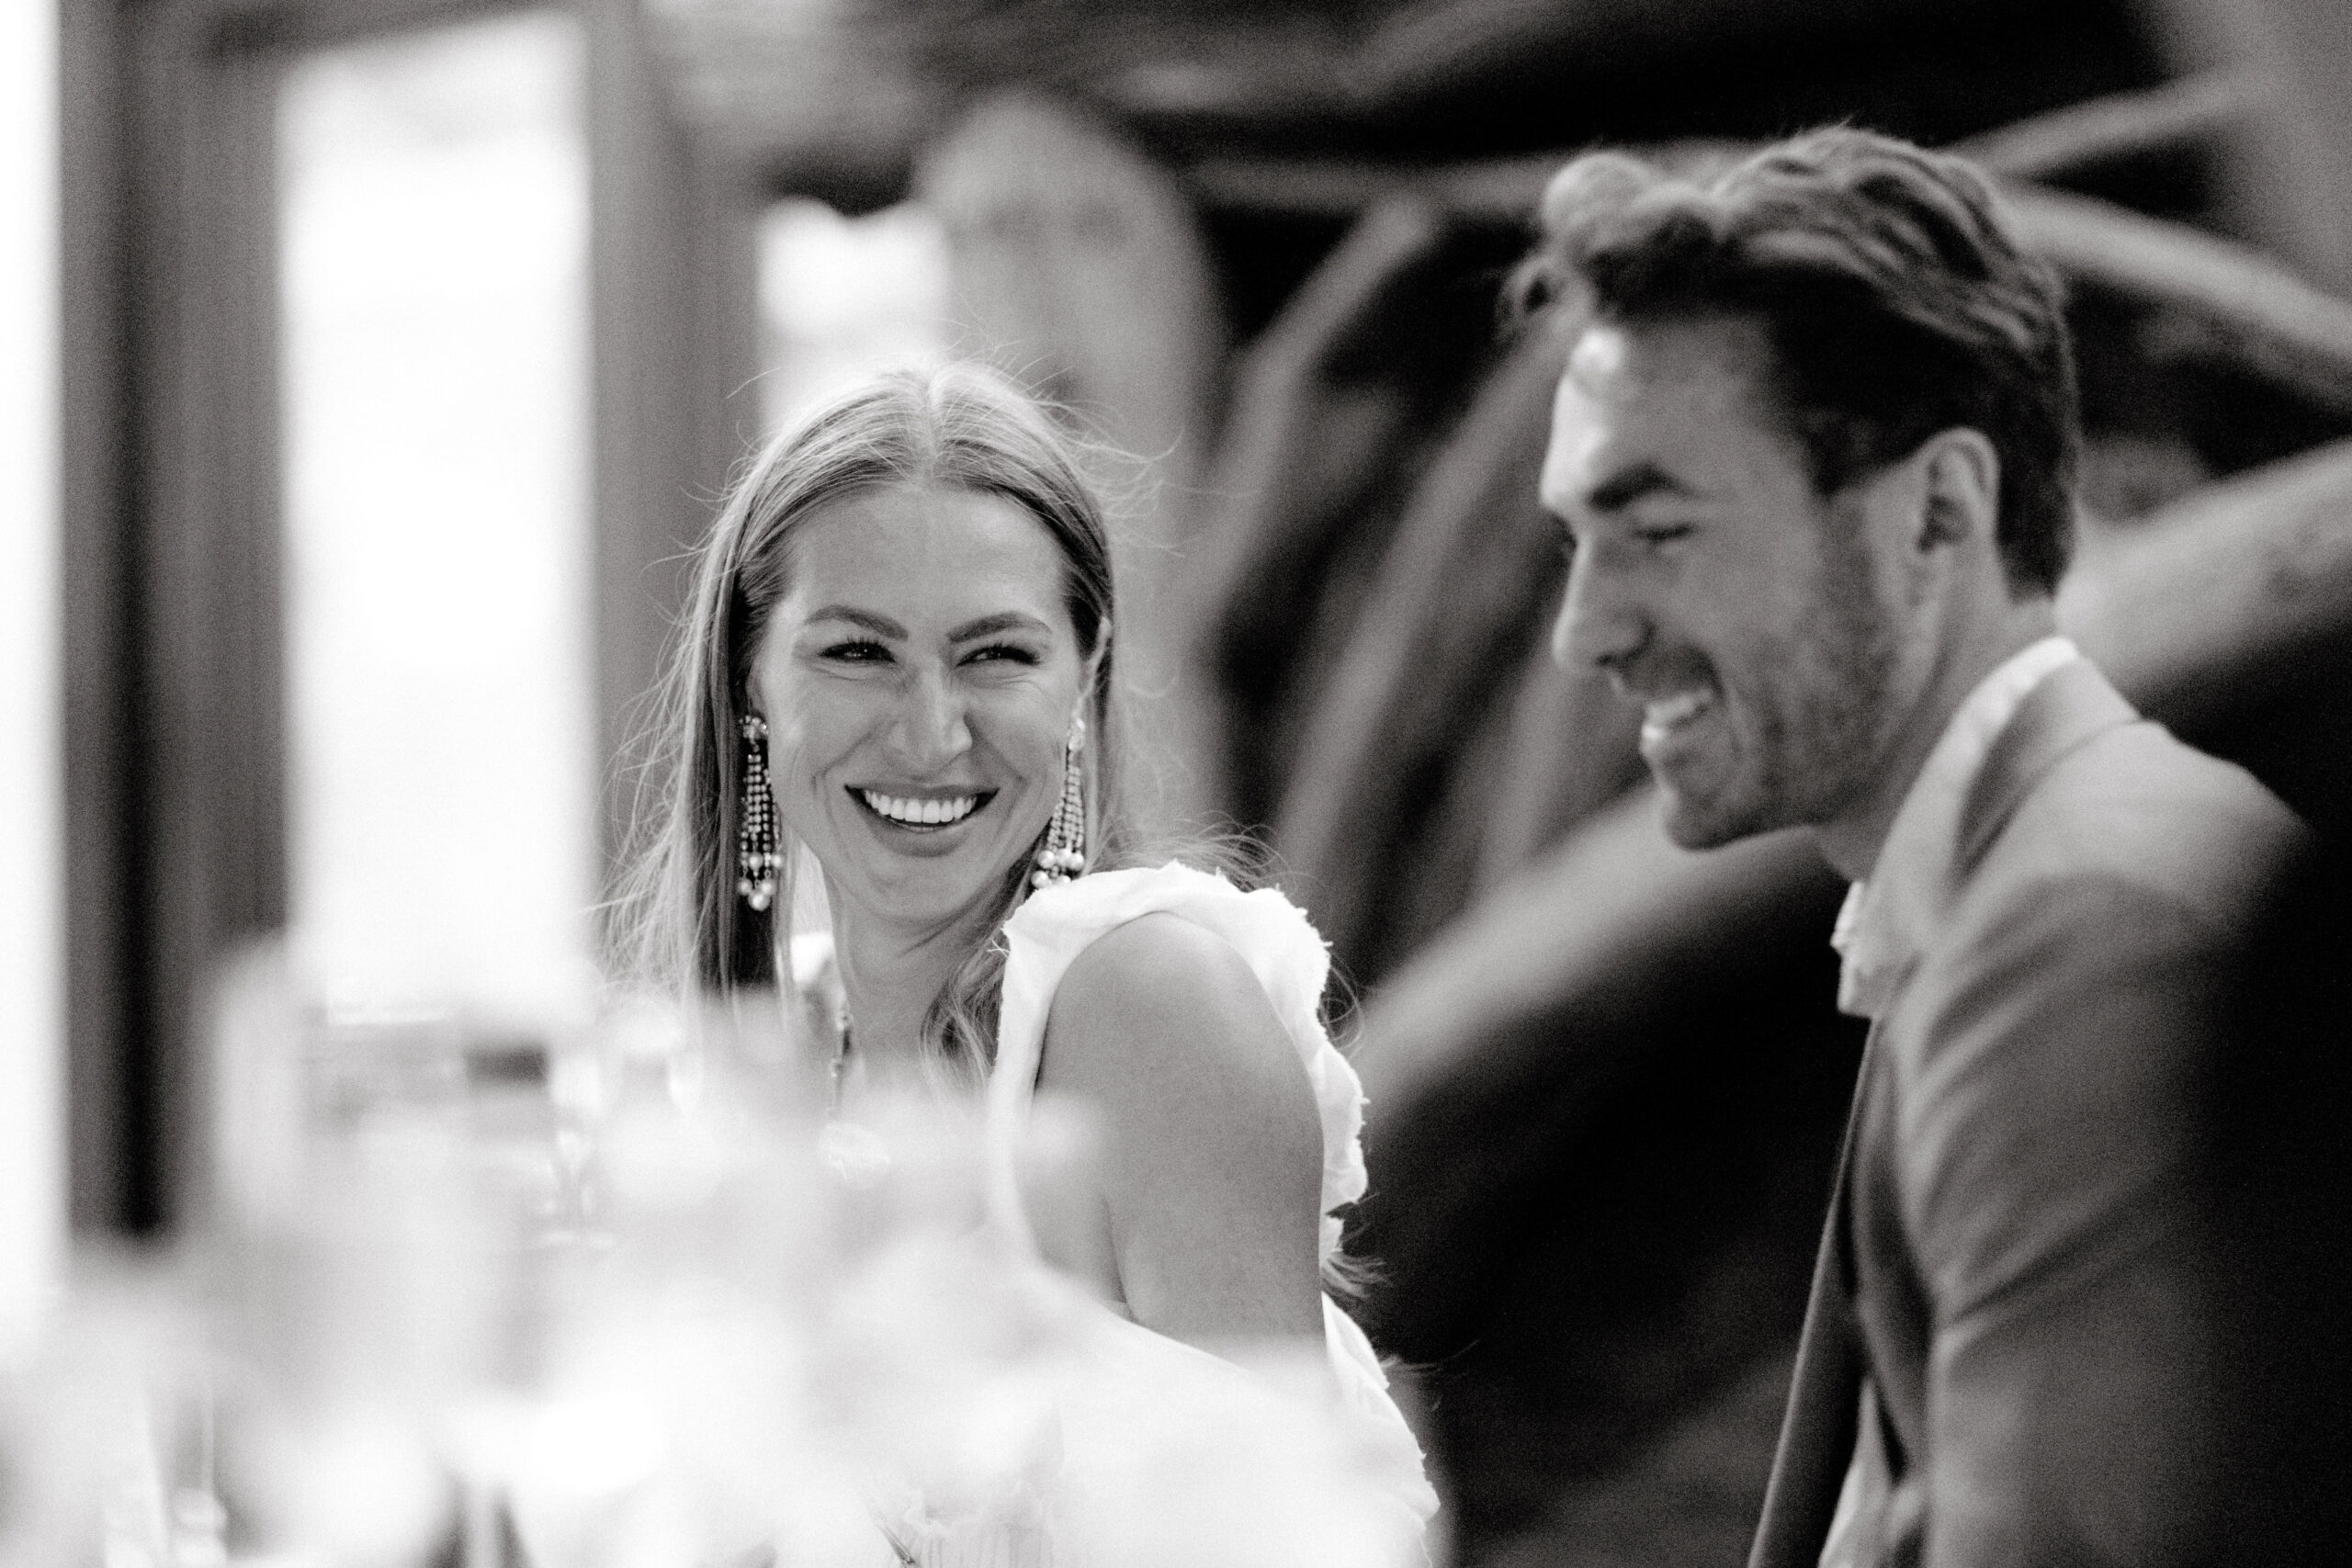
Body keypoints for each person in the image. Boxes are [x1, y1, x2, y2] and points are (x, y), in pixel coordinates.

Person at [1516, 129, 2307, 1567]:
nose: (1588, 631)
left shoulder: (2089, 929)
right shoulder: (2017, 888)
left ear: (1937, 510)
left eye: (1659, 528)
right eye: (1576, 540)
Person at [616, 363, 1434, 1557]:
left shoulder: (1144, 1005)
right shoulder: (766, 1065)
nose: (930, 731)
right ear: (752, 675)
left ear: (1084, 672)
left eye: (995, 654)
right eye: (857, 652)